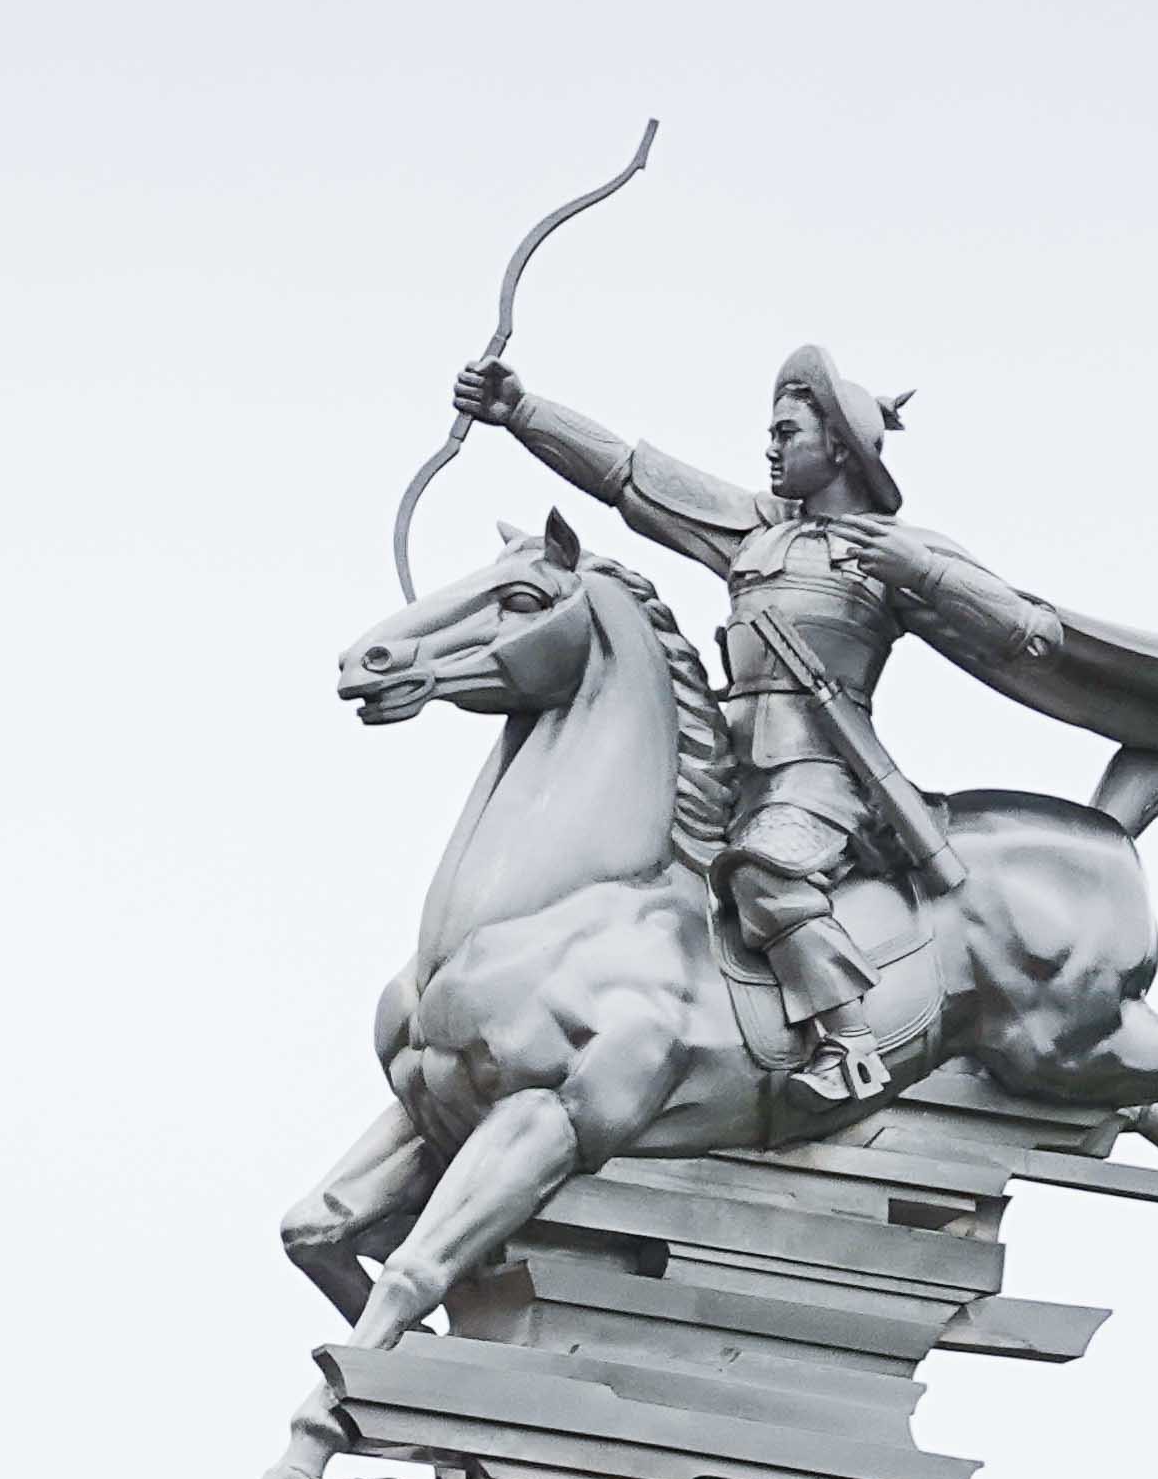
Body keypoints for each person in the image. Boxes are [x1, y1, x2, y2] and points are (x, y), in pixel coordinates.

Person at [452, 344, 1061, 1104]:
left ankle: (851, 1042)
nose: (770, 449)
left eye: (786, 434)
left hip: (819, 780)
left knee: (763, 875)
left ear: (838, 446)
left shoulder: (896, 551)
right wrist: (521, 411)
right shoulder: (757, 533)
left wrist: (925, 573)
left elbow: (1034, 634)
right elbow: (631, 478)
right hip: (720, 769)